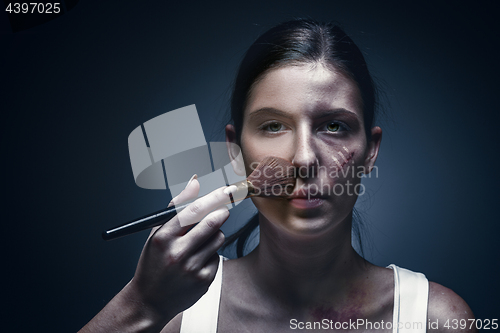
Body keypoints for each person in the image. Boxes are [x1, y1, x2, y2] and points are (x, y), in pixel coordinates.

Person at [79, 19, 476, 333]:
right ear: (236, 152)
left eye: (334, 126)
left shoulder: (437, 321)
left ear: (370, 152)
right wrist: (141, 306)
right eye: (272, 126)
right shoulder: (176, 314)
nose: (303, 159)